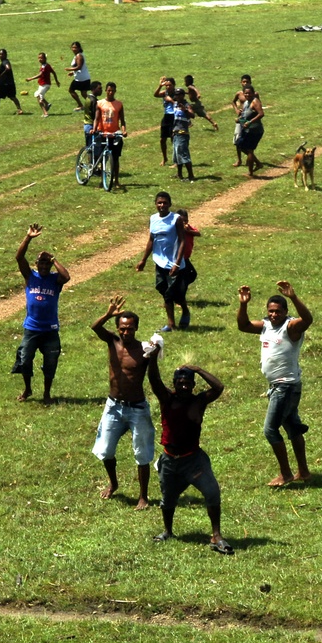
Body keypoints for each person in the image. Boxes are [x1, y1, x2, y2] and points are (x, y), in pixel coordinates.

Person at [148, 352, 233, 554]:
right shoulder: (167, 399)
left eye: (188, 383)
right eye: (181, 383)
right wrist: (152, 358)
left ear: (194, 386)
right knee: (168, 499)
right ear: (175, 384)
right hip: (169, 460)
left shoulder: (199, 401)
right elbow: (154, 379)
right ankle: (168, 531)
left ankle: (216, 536)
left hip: (193, 460)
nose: (184, 386)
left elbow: (219, 387)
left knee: (212, 492)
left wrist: (199, 370)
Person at [237, 281, 314, 486]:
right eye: (270, 311)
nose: (273, 315)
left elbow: (308, 319)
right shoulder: (266, 326)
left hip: (286, 386)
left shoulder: (291, 327)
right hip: (277, 387)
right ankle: (304, 472)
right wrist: (244, 304)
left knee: (270, 430)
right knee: (292, 427)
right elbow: (243, 326)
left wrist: (294, 297)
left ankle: (286, 473)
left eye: (278, 311)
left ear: (285, 312)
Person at [90, 297, 156, 510]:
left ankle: (143, 496)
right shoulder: (113, 342)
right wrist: (109, 314)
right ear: (117, 329)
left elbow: (154, 377)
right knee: (105, 450)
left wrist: (153, 356)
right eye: (122, 329)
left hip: (137, 408)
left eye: (130, 329)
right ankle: (114, 483)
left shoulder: (144, 350)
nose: (126, 332)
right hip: (114, 406)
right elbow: (95, 327)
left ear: (136, 328)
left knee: (142, 453)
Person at [12, 224, 70, 405]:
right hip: (32, 328)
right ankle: (28, 388)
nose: (44, 266)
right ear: (36, 265)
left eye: (47, 263)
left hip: (50, 330)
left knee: (51, 362)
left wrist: (53, 258)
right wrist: (28, 238)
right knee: (25, 359)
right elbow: (19, 257)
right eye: (41, 263)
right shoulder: (30, 276)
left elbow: (66, 276)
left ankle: (47, 393)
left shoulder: (55, 279)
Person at [137, 192, 189, 332]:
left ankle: (184, 310)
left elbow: (182, 241)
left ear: (170, 204)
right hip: (160, 263)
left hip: (174, 264)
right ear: (155, 204)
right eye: (159, 202)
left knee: (174, 294)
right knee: (163, 290)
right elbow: (151, 240)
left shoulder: (176, 219)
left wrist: (177, 263)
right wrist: (143, 260)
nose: (162, 205)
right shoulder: (153, 219)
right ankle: (171, 324)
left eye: (165, 203)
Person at [93, 82, 127, 190]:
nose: (110, 92)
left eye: (112, 90)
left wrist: (124, 131)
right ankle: (102, 180)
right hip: (103, 133)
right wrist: (94, 129)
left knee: (115, 159)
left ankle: (116, 180)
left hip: (114, 134)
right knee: (103, 158)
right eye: (109, 90)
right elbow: (97, 118)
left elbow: (122, 121)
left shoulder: (119, 104)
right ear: (106, 91)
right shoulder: (100, 103)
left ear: (115, 91)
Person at [235, 85, 265, 178]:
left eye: (249, 93)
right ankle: (258, 163)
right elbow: (245, 115)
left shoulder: (255, 101)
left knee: (250, 150)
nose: (247, 94)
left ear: (253, 93)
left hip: (255, 130)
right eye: (246, 93)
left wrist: (250, 122)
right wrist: (239, 119)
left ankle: (251, 173)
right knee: (240, 145)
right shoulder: (246, 102)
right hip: (247, 129)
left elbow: (261, 114)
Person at [171, 88, 196, 182]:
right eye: (175, 95)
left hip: (183, 133)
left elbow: (192, 115)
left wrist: (185, 110)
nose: (176, 96)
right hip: (176, 132)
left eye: (178, 95)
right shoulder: (175, 104)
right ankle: (179, 174)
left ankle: (191, 175)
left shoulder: (186, 105)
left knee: (184, 155)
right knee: (177, 155)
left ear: (182, 95)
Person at [0, 49, 22, 115]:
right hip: (10, 83)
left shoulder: (5, 62)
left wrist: (3, 74)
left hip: (3, 84)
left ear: (6, 55)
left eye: (2, 54)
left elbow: (8, 68)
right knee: (12, 97)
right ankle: (19, 109)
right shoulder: (6, 61)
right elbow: (1, 71)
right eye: (0, 54)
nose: (0, 56)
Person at [25, 52, 59, 118]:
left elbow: (40, 74)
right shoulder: (48, 65)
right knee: (38, 95)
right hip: (43, 84)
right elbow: (53, 72)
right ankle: (47, 104)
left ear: (45, 58)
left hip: (45, 85)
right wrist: (56, 81)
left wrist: (30, 78)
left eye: (41, 58)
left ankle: (45, 113)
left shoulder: (44, 66)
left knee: (39, 98)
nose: (40, 59)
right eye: (39, 58)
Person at [231, 75, 254, 167]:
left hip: (249, 119)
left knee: (249, 140)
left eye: (247, 82)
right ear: (241, 82)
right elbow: (233, 102)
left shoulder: (254, 94)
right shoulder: (239, 93)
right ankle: (239, 160)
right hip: (241, 119)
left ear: (250, 82)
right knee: (237, 139)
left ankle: (250, 158)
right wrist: (237, 110)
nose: (245, 83)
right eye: (244, 82)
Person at [154, 77, 177, 167]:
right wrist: (160, 86)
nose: (168, 87)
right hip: (166, 116)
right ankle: (164, 158)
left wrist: (170, 100)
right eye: (166, 85)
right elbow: (155, 95)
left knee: (173, 139)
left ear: (174, 85)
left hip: (174, 116)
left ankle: (176, 161)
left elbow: (179, 104)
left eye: (170, 85)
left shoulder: (177, 93)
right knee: (162, 139)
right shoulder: (165, 93)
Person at [65, 41, 91, 112]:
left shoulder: (79, 56)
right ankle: (93, 103)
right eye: (73, 47)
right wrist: (72, 72)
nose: (74, 49)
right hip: (82, 77)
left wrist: (69, 69)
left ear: (79, 48)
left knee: (71, 90)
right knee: (83, 93)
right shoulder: (77, 55)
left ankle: (82, 105)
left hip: (81, 78)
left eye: (75, 47)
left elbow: (79, 67)